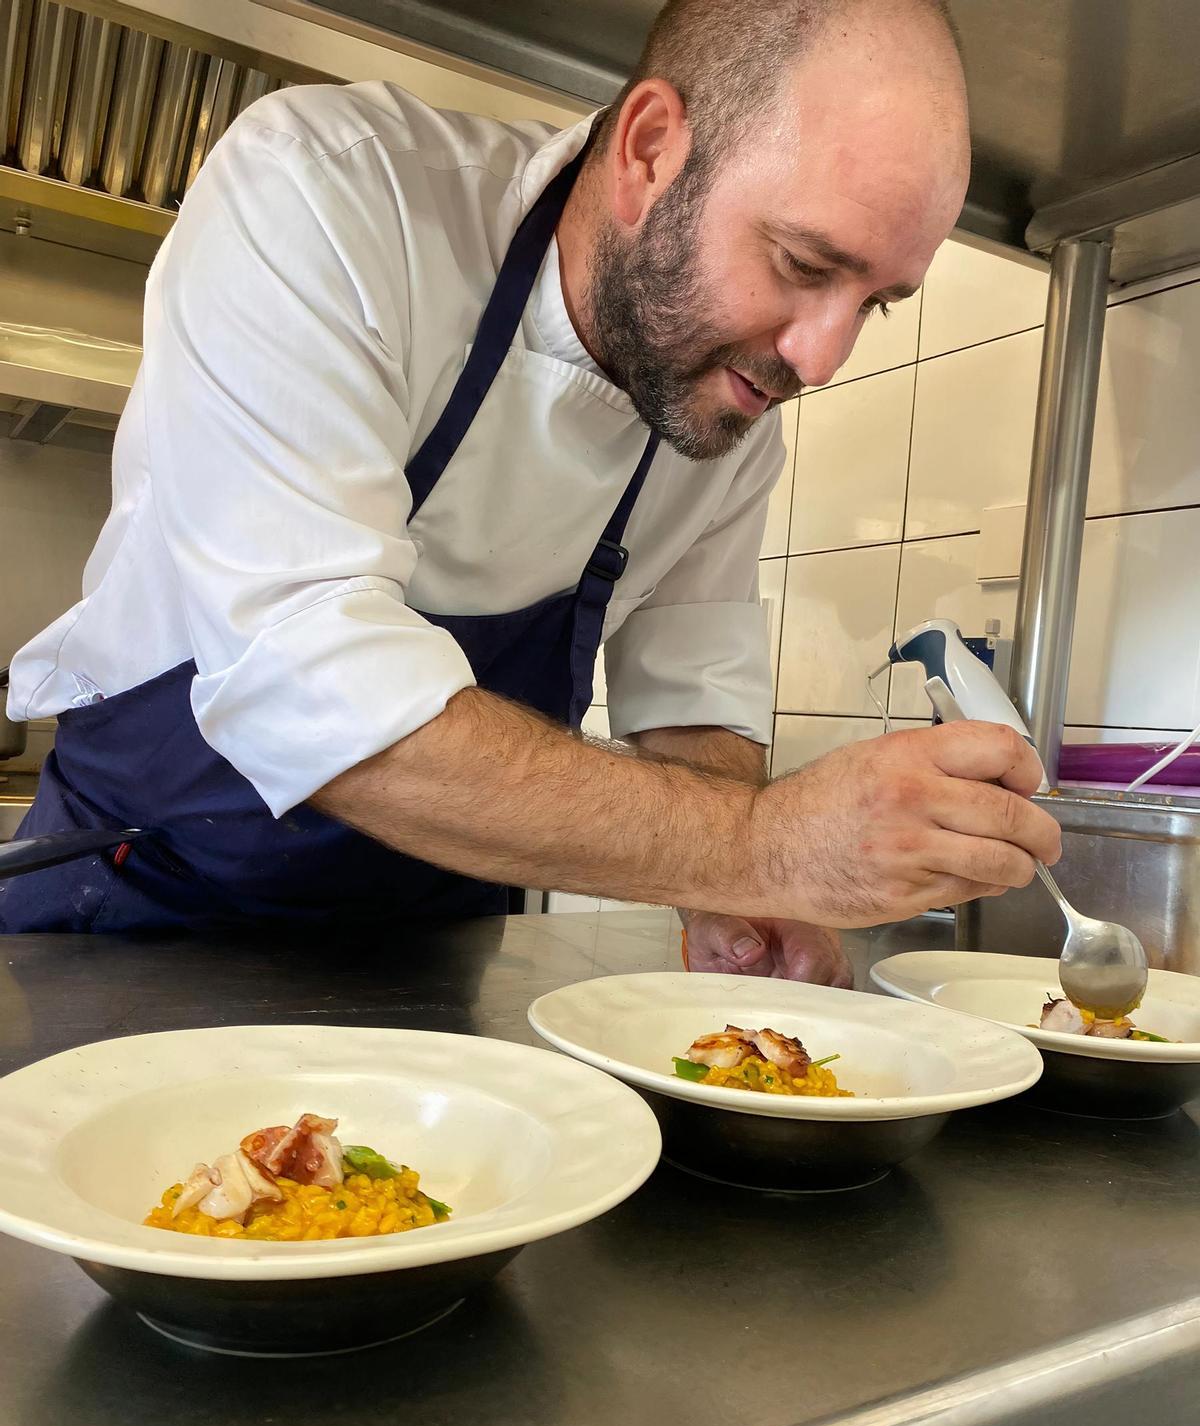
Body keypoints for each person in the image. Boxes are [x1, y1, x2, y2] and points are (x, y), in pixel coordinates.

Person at [0, 0, 1059, 972]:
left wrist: (742, 899)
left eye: (873, 302)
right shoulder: (330, 195)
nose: (822, 360)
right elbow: (302, 675)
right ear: (649, 150)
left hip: (427, 963)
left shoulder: (720, 413)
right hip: (128, 921)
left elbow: (692, 699)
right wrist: (763, 846)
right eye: (801, 262)